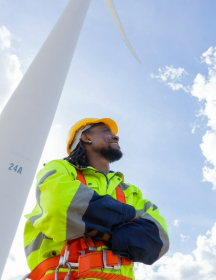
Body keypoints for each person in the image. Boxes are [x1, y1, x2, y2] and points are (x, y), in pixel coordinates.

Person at [23, 118, 169, 280]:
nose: (116, 137)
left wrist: (94, 223)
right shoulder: (59, 169)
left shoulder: (131, 191)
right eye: (107, 131)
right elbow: (60, 205)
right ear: (86, 137)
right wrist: (128, 218)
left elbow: (157, 242)